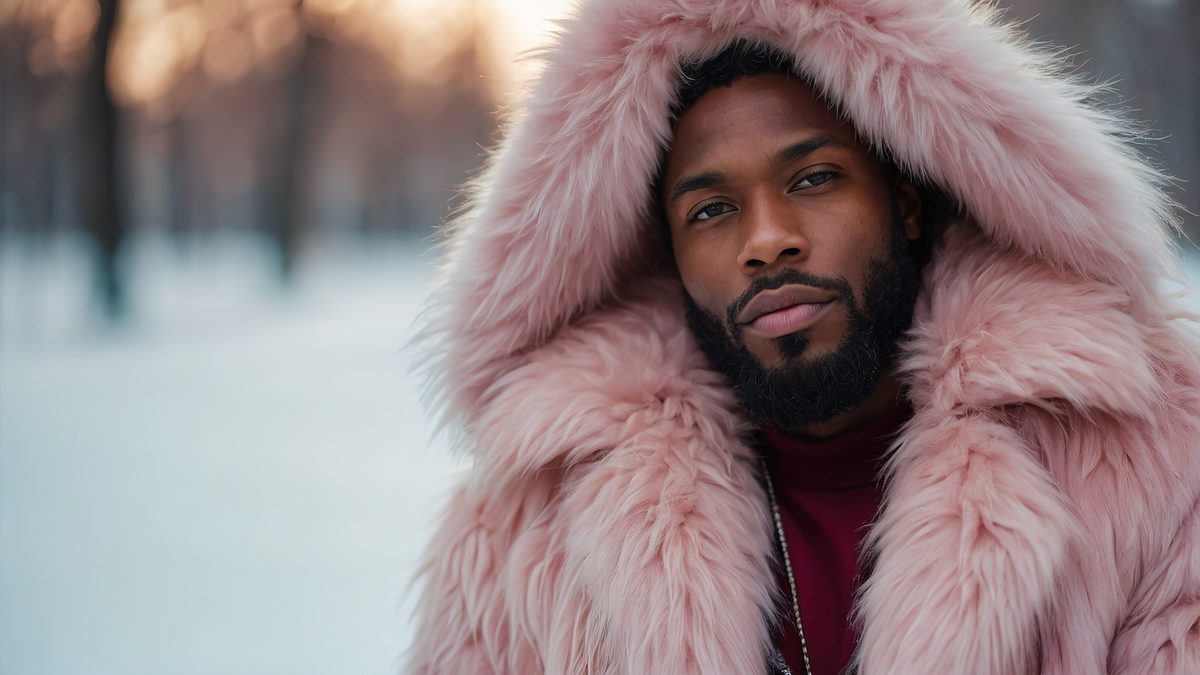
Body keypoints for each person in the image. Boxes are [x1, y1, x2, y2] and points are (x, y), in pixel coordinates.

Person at [405, 0, 1200, 673]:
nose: (767, 240)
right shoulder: (523, 529)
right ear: (667, 257)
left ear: (909, 198)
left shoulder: (1159, 464)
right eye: (711, 209)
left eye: (813, 178)